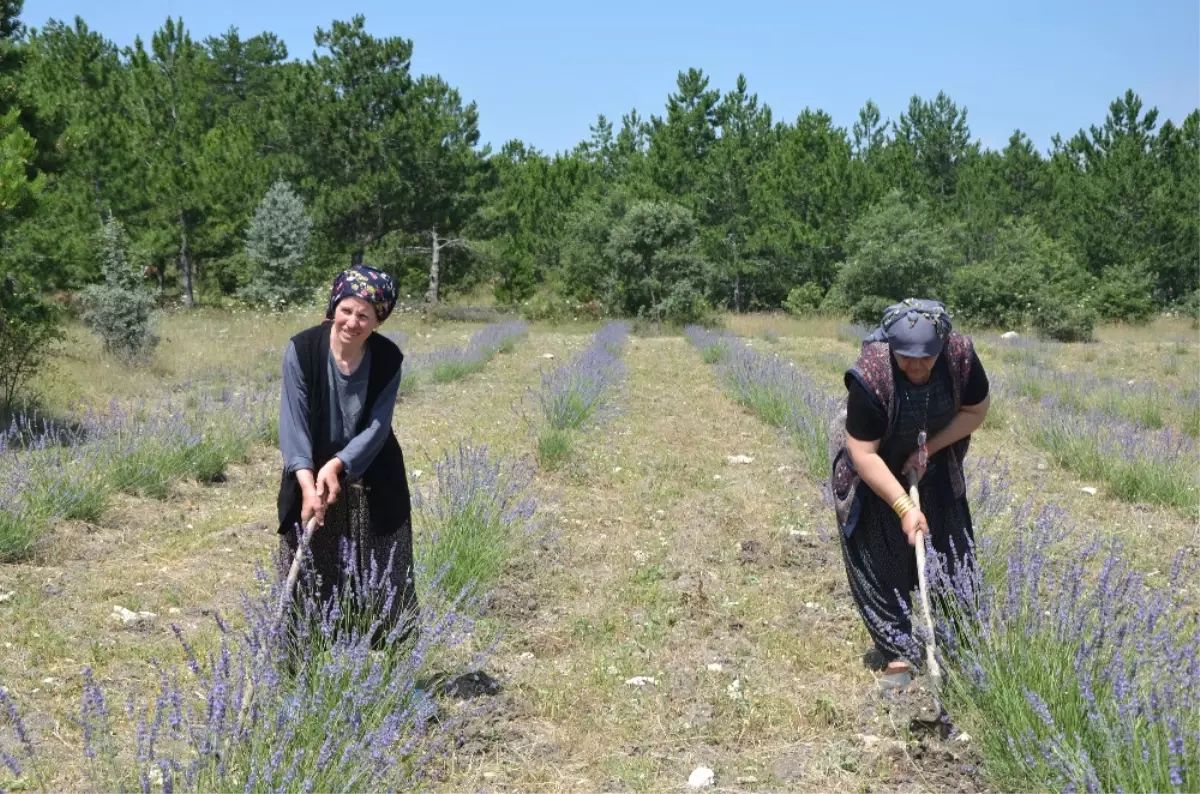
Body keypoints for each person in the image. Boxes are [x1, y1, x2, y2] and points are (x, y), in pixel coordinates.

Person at [828, 298, 990, 689]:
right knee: (877, 550)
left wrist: (928, 449)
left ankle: (956, 644)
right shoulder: (872, 373)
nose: (917, 367)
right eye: (907, 358)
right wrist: (903, 506)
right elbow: (863, 453)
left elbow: (975, 411)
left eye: (925, 358)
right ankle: (896, 653)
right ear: (891, 348)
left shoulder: (959, 357)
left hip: (927, 448)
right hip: (870, 457)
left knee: (952, 546)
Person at [275, 264, 416, 644]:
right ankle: (304, 660)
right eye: (346, 310)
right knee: (310, 572)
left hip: (374, 473)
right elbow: (294, 423)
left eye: (364, 315)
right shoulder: (302, 350)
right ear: (334, 306)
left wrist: (338, 465)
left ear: (378, 321)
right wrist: (307, 481)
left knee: (384, 571)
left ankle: (389, 667)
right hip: (309, 469)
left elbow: (377, 427)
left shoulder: (388, 359)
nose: (352, 322)